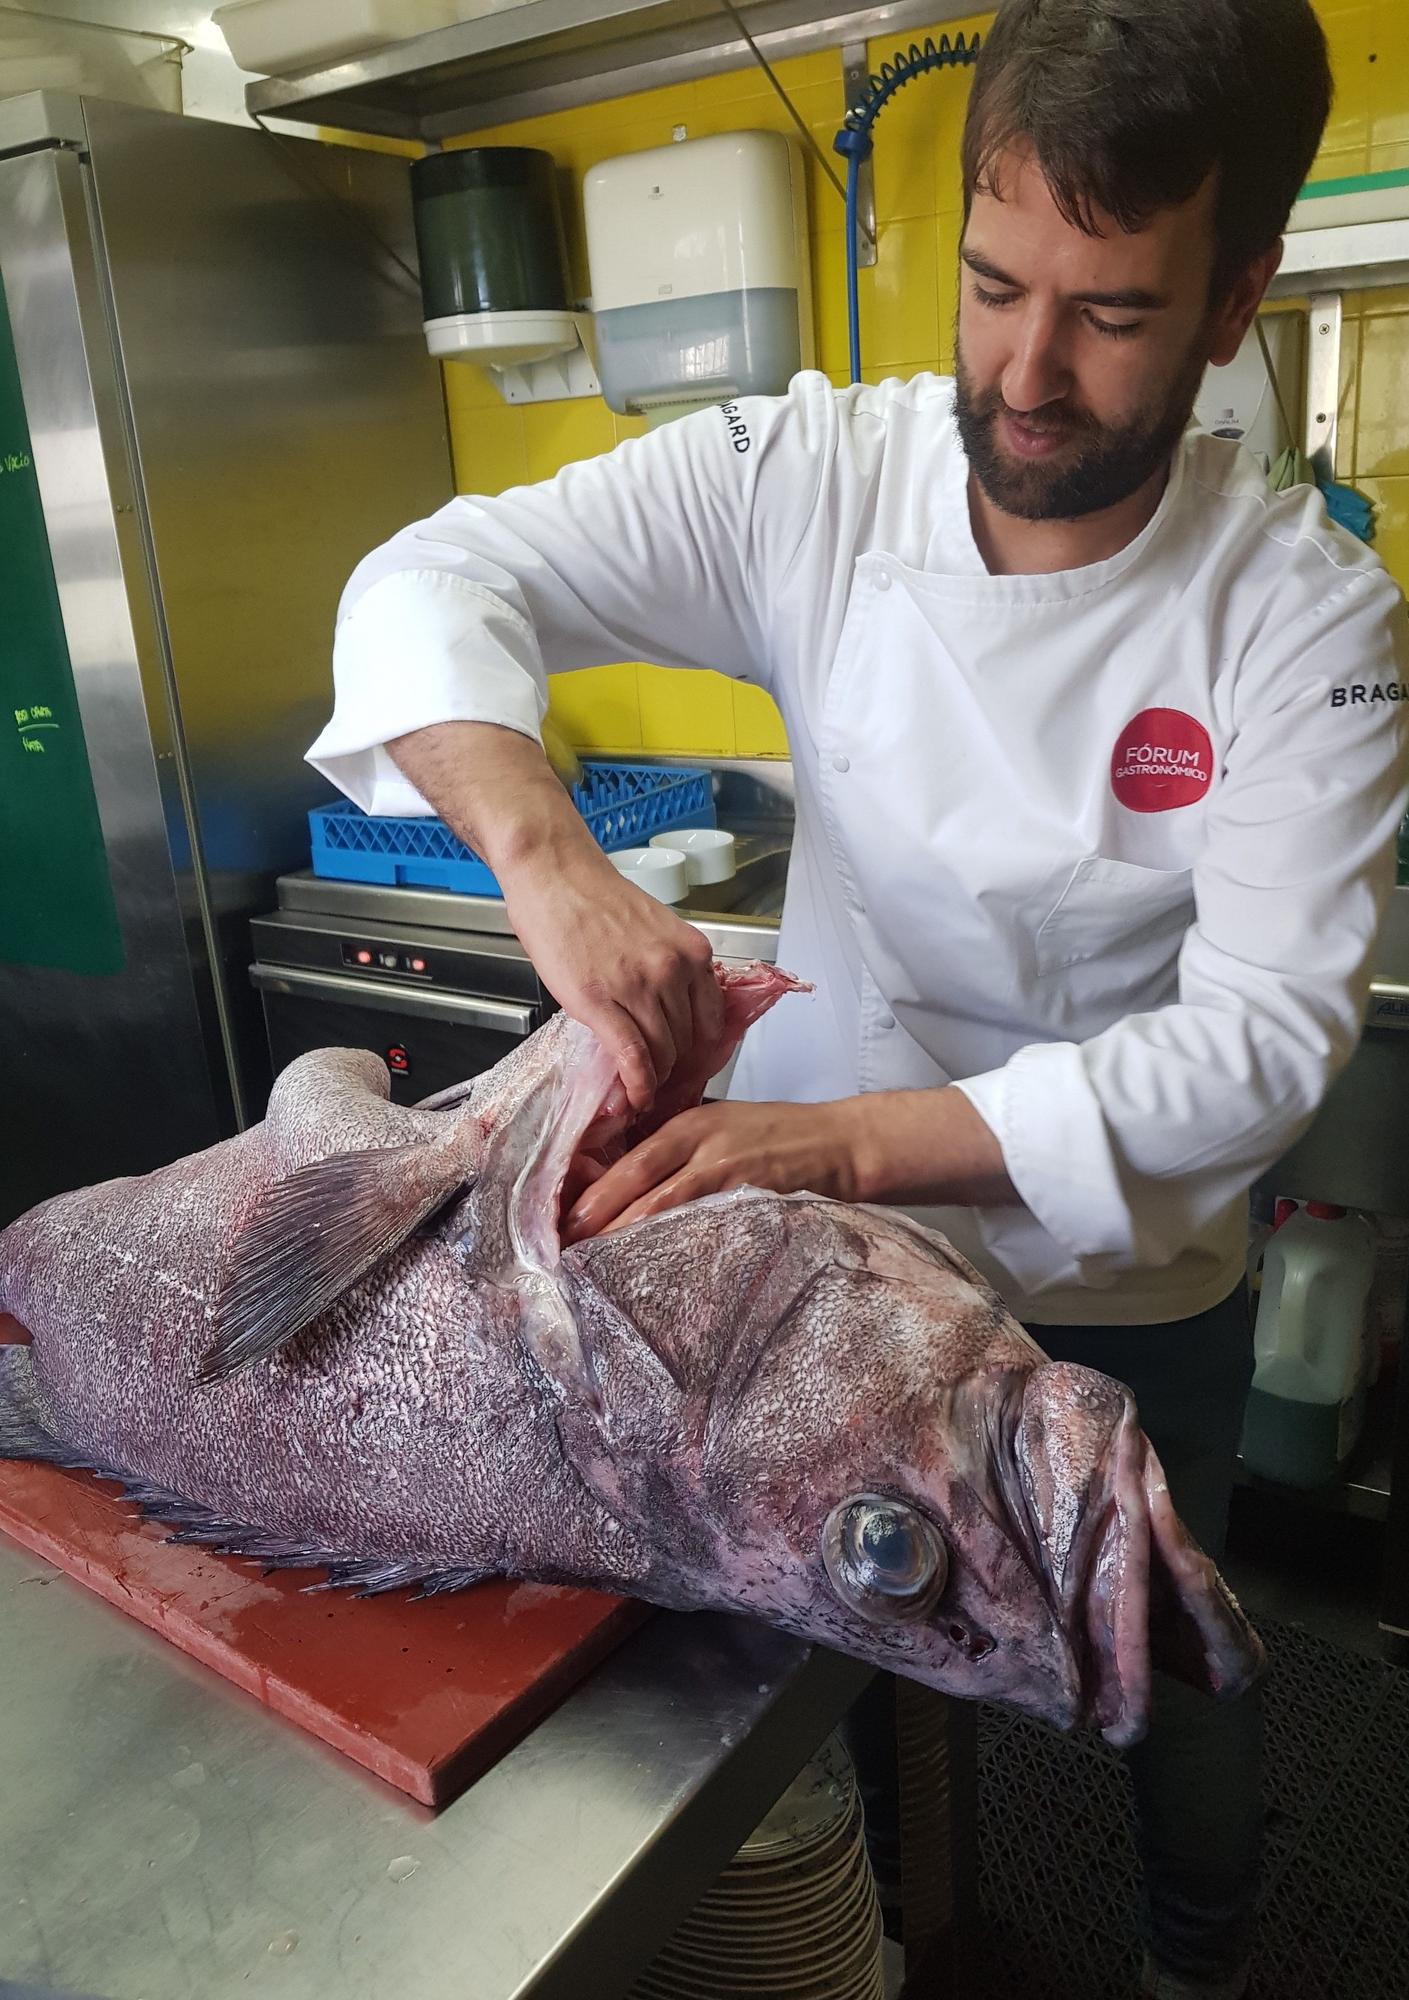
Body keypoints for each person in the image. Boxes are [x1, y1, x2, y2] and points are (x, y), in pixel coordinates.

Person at [309, 2, 1407, 1992]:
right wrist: (546, 855)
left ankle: (1199, 1947)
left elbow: (1259, 1038)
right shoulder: (815, 482)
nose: (1032, 371)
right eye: (994, 287)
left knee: (1168, 1657)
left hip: (1126, 1278)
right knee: (845, 1650)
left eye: (1111, 311)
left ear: (1241, 295)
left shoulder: (1299, 614)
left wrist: (828, 1130)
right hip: (839, 1263)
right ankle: (886, 1929)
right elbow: (428, 577)